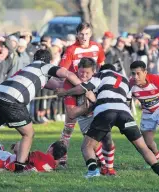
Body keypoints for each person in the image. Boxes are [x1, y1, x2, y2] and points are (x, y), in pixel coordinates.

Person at [56, 64, 159, 179]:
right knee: (142, 147)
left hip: (105, 111)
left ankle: (92, 172)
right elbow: (128, 102)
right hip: (125, 113)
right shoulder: (126, 80)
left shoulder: (101, 74)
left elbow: (84, 87)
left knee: (87, 146)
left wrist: (65, 93)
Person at [55, 59, 117, 175]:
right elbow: (71, 112)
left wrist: (94, 101)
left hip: (99, 113)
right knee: (90, 142)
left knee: (107, 141)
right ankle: (105, 167)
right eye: (81, 72)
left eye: (87, 73)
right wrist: (86, 104)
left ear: (94, 72)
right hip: (83, 116)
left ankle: (107, 166)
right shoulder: (69, 83)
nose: (83, 75)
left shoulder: (100, 81)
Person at [58, 22, 105, 166]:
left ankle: (100, 159)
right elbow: (62, 71)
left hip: (91, 88)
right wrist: (81, 87)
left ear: (91, 34)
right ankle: (61, 158)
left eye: (87, 34)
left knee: (91, 126)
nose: (84, 37)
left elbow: (101, 67)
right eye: (81, 34)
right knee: (69, 124)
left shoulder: (97, 47)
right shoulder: (71, 49)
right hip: (73, 89)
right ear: (77, 34)